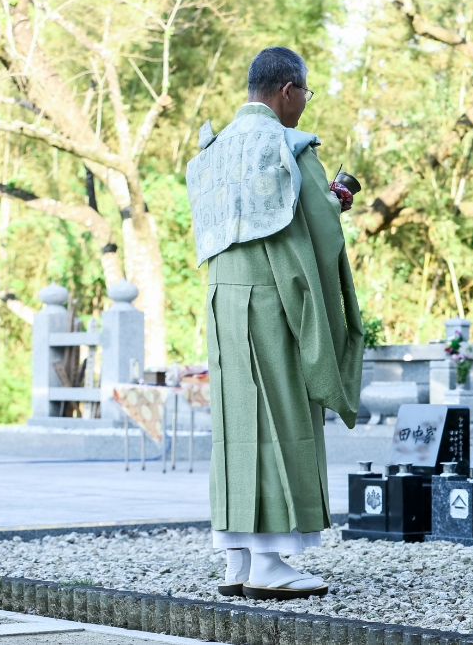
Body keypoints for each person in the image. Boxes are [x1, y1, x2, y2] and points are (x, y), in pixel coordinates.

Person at [185, 47, 363, 600]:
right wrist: (338, 201)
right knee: (280, 413)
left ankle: (237, 560)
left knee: (236, 424)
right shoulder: (288, 147)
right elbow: (318, 228)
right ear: (287, 90)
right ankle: (269, 563)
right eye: (304, 95)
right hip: (271, 301)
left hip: (221, 301)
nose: (304, 106)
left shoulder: (210, 151)